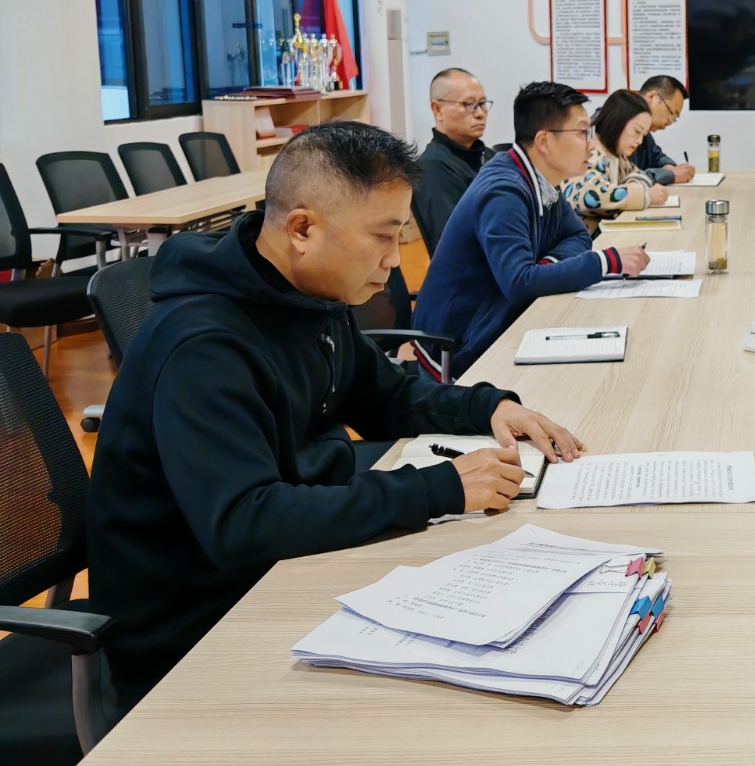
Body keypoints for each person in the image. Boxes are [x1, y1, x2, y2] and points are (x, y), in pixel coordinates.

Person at [86, 121, 583, 708]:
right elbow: (244, 523)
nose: (395, 261)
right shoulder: (203, 347)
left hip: (276, 568)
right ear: (303, 229)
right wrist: (439, 488)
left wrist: (489, 405)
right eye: (382, 237)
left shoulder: (309, 294)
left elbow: (386, 399)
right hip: (193, 634)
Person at [413, 81, 649, 376]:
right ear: (544, 141)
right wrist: (606, 261)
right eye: (582, 133)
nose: (591, 144)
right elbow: (520, 281)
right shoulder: (504, 191)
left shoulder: (541, 178)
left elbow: (577, 235)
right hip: (460, 347)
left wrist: (546, 266)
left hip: (502, 320)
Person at [562, 90, 669, 235]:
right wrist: (646, 197)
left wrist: (633, 187)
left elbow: (639, 175)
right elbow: (592, 195)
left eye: (643, 135)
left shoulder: (616, 156)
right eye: (637, 131)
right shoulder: (590, 150)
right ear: (617, 122)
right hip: (581, 240)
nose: (640, 141)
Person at [413, 67, 493, 254]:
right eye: (469, 104)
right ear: (438, 110)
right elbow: (455, 245)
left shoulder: (491, 157)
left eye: (482, 103)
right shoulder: (431, 168)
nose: (480, 113)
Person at [632, 75, 695, 184]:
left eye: (674, 118)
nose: (670, 122)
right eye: (671, 114)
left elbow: (657, 156)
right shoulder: (614, 124)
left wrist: (669, 167)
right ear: (652, 97)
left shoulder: (644, 130)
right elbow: (624, 177)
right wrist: (671, 175)